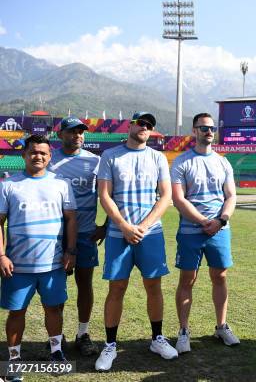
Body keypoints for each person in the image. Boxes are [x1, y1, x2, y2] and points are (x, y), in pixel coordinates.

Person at [95, 112, 177, 371]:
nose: (145, 127)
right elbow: (105, 195)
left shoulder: (158, 157)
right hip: (119, 234)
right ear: (130, 125)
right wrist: (124, 226)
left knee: (153, 286)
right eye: (141, 123)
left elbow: (165, 197)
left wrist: (142, 226)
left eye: (149, 125)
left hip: (149, 234)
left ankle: (157, 339)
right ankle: (110, 345)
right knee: (117, 288)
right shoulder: (110, 155)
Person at [0, 135, 77, 367]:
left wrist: (70, 251)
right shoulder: (8, 185)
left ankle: (56, 352)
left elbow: (71, 220)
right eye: (33, 152)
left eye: (43, 153)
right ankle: (14, 358)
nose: (38, 156)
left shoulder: (61, 184)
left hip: (52, 264)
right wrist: (2, 255)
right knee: (16, 312)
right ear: (24, 155)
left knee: (53, 309)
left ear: (49, 157)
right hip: (17, 265)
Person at [172, 113, 239, 353]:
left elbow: (231, 196)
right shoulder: (182, 162)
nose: (208, 132)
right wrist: (203, 221)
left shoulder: (223, 162)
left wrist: (221, 221)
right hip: (192, 230)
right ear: (194, 131)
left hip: (219, 229)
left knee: (220, 276)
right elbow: (178, 199)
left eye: (211, 128)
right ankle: (183, 330)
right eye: (203, 128)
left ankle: (221, 326)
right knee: (188, 280)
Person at [49, 117, 105, 356]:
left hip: (85, 235)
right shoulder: (49, 159)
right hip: (55, 235)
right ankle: (57, 336)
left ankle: (82, 334)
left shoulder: (95, 162)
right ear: (61, 135)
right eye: (72, 131)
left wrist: (106, 225)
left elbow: (110, 196)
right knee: (57, 286)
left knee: (85, 284)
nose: (78, 135)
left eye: (81, 132)